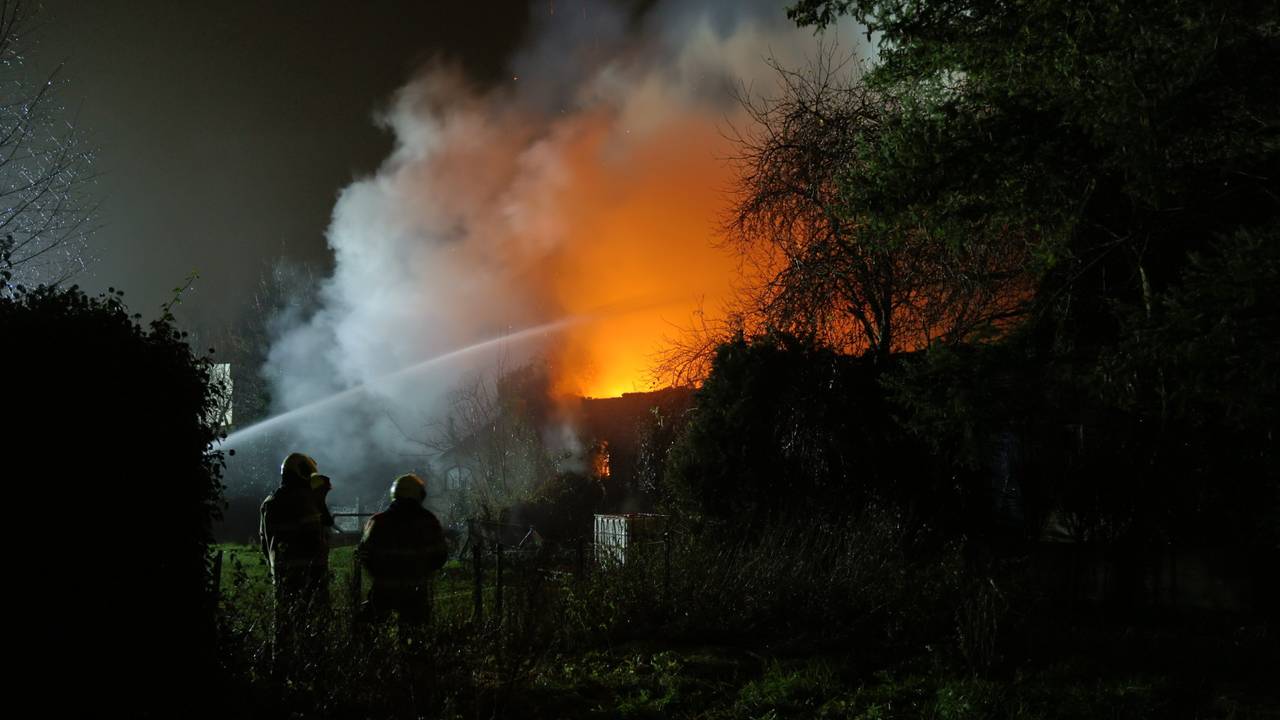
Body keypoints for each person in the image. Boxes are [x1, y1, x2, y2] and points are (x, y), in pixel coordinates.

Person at [259, 452, 334, 674]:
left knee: (283, 623)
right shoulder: (303, 500)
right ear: (302, 472)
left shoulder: (269, 502)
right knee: (313, 623)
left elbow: (264, 541)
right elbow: (316, 535)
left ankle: (281, 669)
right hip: (310, 574)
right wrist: (320, 500)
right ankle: (313, 670)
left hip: (281, 572)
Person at [357, 473, 448, 626]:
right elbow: (440, 556)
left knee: (371, 630)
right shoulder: (428, 520)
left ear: (395, 494)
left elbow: (364, 554)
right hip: (416, 589)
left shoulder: (377, 521)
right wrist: (422, 572)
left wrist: (380, 574)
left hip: (383, 588)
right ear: (419, 494)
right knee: (414, 633)